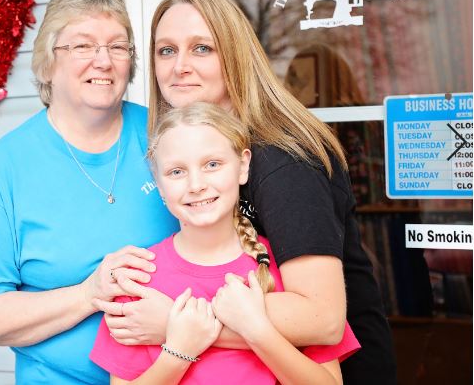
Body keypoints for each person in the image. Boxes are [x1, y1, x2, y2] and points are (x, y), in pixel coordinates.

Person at [94, 0, 396, 384]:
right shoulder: (210, 154)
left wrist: (173, 319)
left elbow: (323, 319)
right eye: (166, 50)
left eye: (202, 48)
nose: (180, 66)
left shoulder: (282, 159)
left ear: (234, 55)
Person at [0, 0, 178, 384]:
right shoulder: (6, 167)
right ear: (48, 63)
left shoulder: (166, 136)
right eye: (82, 45)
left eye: (117, 46)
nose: (103, 61)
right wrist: (88, 294)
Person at [90, 102, 360, 384]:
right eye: (176, 172)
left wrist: (257, 331)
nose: (196, 184)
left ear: (242, 166)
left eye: (212, 165)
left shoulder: (285, 270)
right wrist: (178, 352)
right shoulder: (138, 279)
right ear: (158, 183)